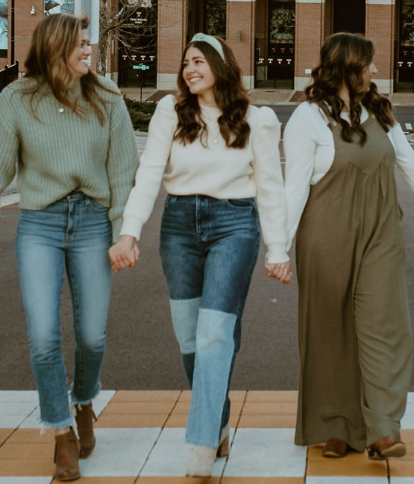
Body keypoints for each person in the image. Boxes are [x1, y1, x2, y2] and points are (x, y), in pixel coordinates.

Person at [0, 13, 137, 481]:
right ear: (55, 49)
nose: (88, 52)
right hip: (40, 222)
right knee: (42, 337)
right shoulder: (17, 99)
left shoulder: (108, 97)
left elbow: (122, 174)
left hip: (93, 221)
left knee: (92, 336)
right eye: (79, 45)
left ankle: (84, 401)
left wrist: (122, 232)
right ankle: (61, 434)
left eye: (89, 45)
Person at [109, 33, 290, 477]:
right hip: (178, 226)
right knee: (192, 339)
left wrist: (278, 248)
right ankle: (219, 418)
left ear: (220, 65)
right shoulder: (170, 112)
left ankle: (202, 445)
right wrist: (129, 233)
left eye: (199, 61)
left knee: (213, 335)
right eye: (186, 62)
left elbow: (269, 186)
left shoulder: (255, 119)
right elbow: (149, 173)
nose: (190, 69)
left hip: (234, 225)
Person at [285, 33, 414, 460]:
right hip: (325, 235)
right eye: (369, 64)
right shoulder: (307, 117)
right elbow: (294, 189)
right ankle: (336, 426)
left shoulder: (380, 112)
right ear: (348, 66)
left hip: (381, 233)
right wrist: (277, 248)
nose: (375, 71)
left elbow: (409, 162)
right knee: (330, 331)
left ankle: (382, 427)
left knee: (385, 327)